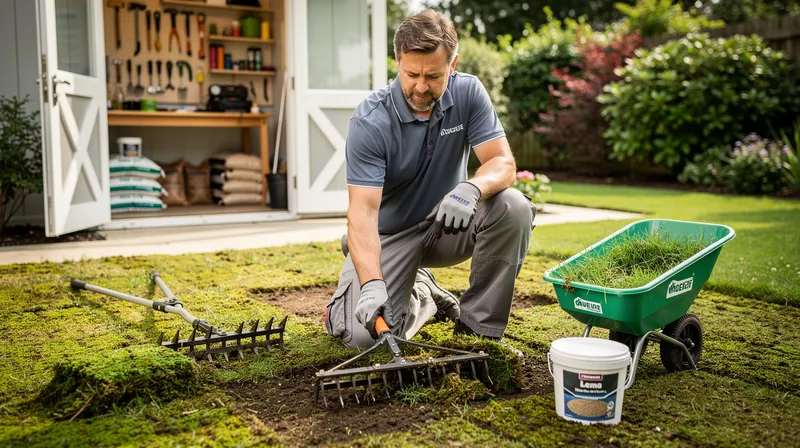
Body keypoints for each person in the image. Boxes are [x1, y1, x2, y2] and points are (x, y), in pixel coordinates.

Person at [323, 9, 535, 355]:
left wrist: (471, 188)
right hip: (389, 236)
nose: (421, 87)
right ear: (397, 62)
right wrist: (374, 284)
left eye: (433, 76)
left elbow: (502, 162)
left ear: (452, 66)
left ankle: (477, 331)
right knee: (366, 338)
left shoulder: (468, 93)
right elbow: (361, 212)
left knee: (514, 208)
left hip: (448, 224)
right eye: (412, 74)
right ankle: (422, 292)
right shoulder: (371, 121)